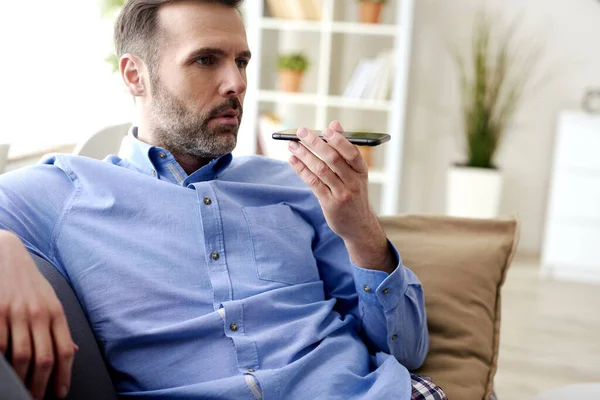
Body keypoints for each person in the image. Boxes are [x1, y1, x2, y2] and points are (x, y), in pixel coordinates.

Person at [0, 1, 447, 399]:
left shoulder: (296, 185)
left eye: (242, 61)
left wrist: (361, 228)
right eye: (205, 60)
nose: (236, 82)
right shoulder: (67, 192)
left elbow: (406, 349)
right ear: (136, 76)